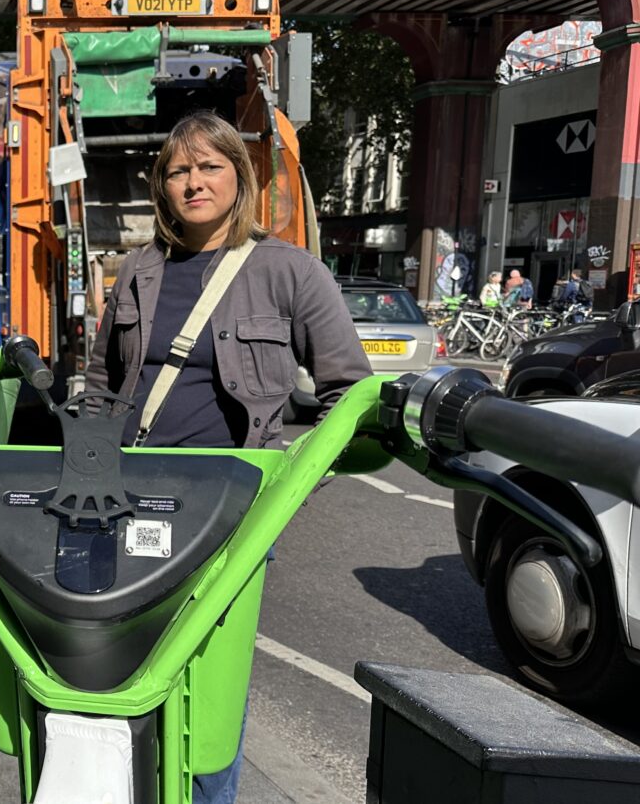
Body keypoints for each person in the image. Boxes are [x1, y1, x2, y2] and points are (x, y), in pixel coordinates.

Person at [84, 111, 369, 803]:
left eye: (209, 166)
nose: (193, 182)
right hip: (126, 506)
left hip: (228, 519)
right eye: (178, 170)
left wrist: (289, 489)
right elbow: (99, 383)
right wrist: (85, 474)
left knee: (209, 690)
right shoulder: (140, 273)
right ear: (163, 187)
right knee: (118, 682)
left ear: (239, 180)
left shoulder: (289, 271)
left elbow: (352, 395)